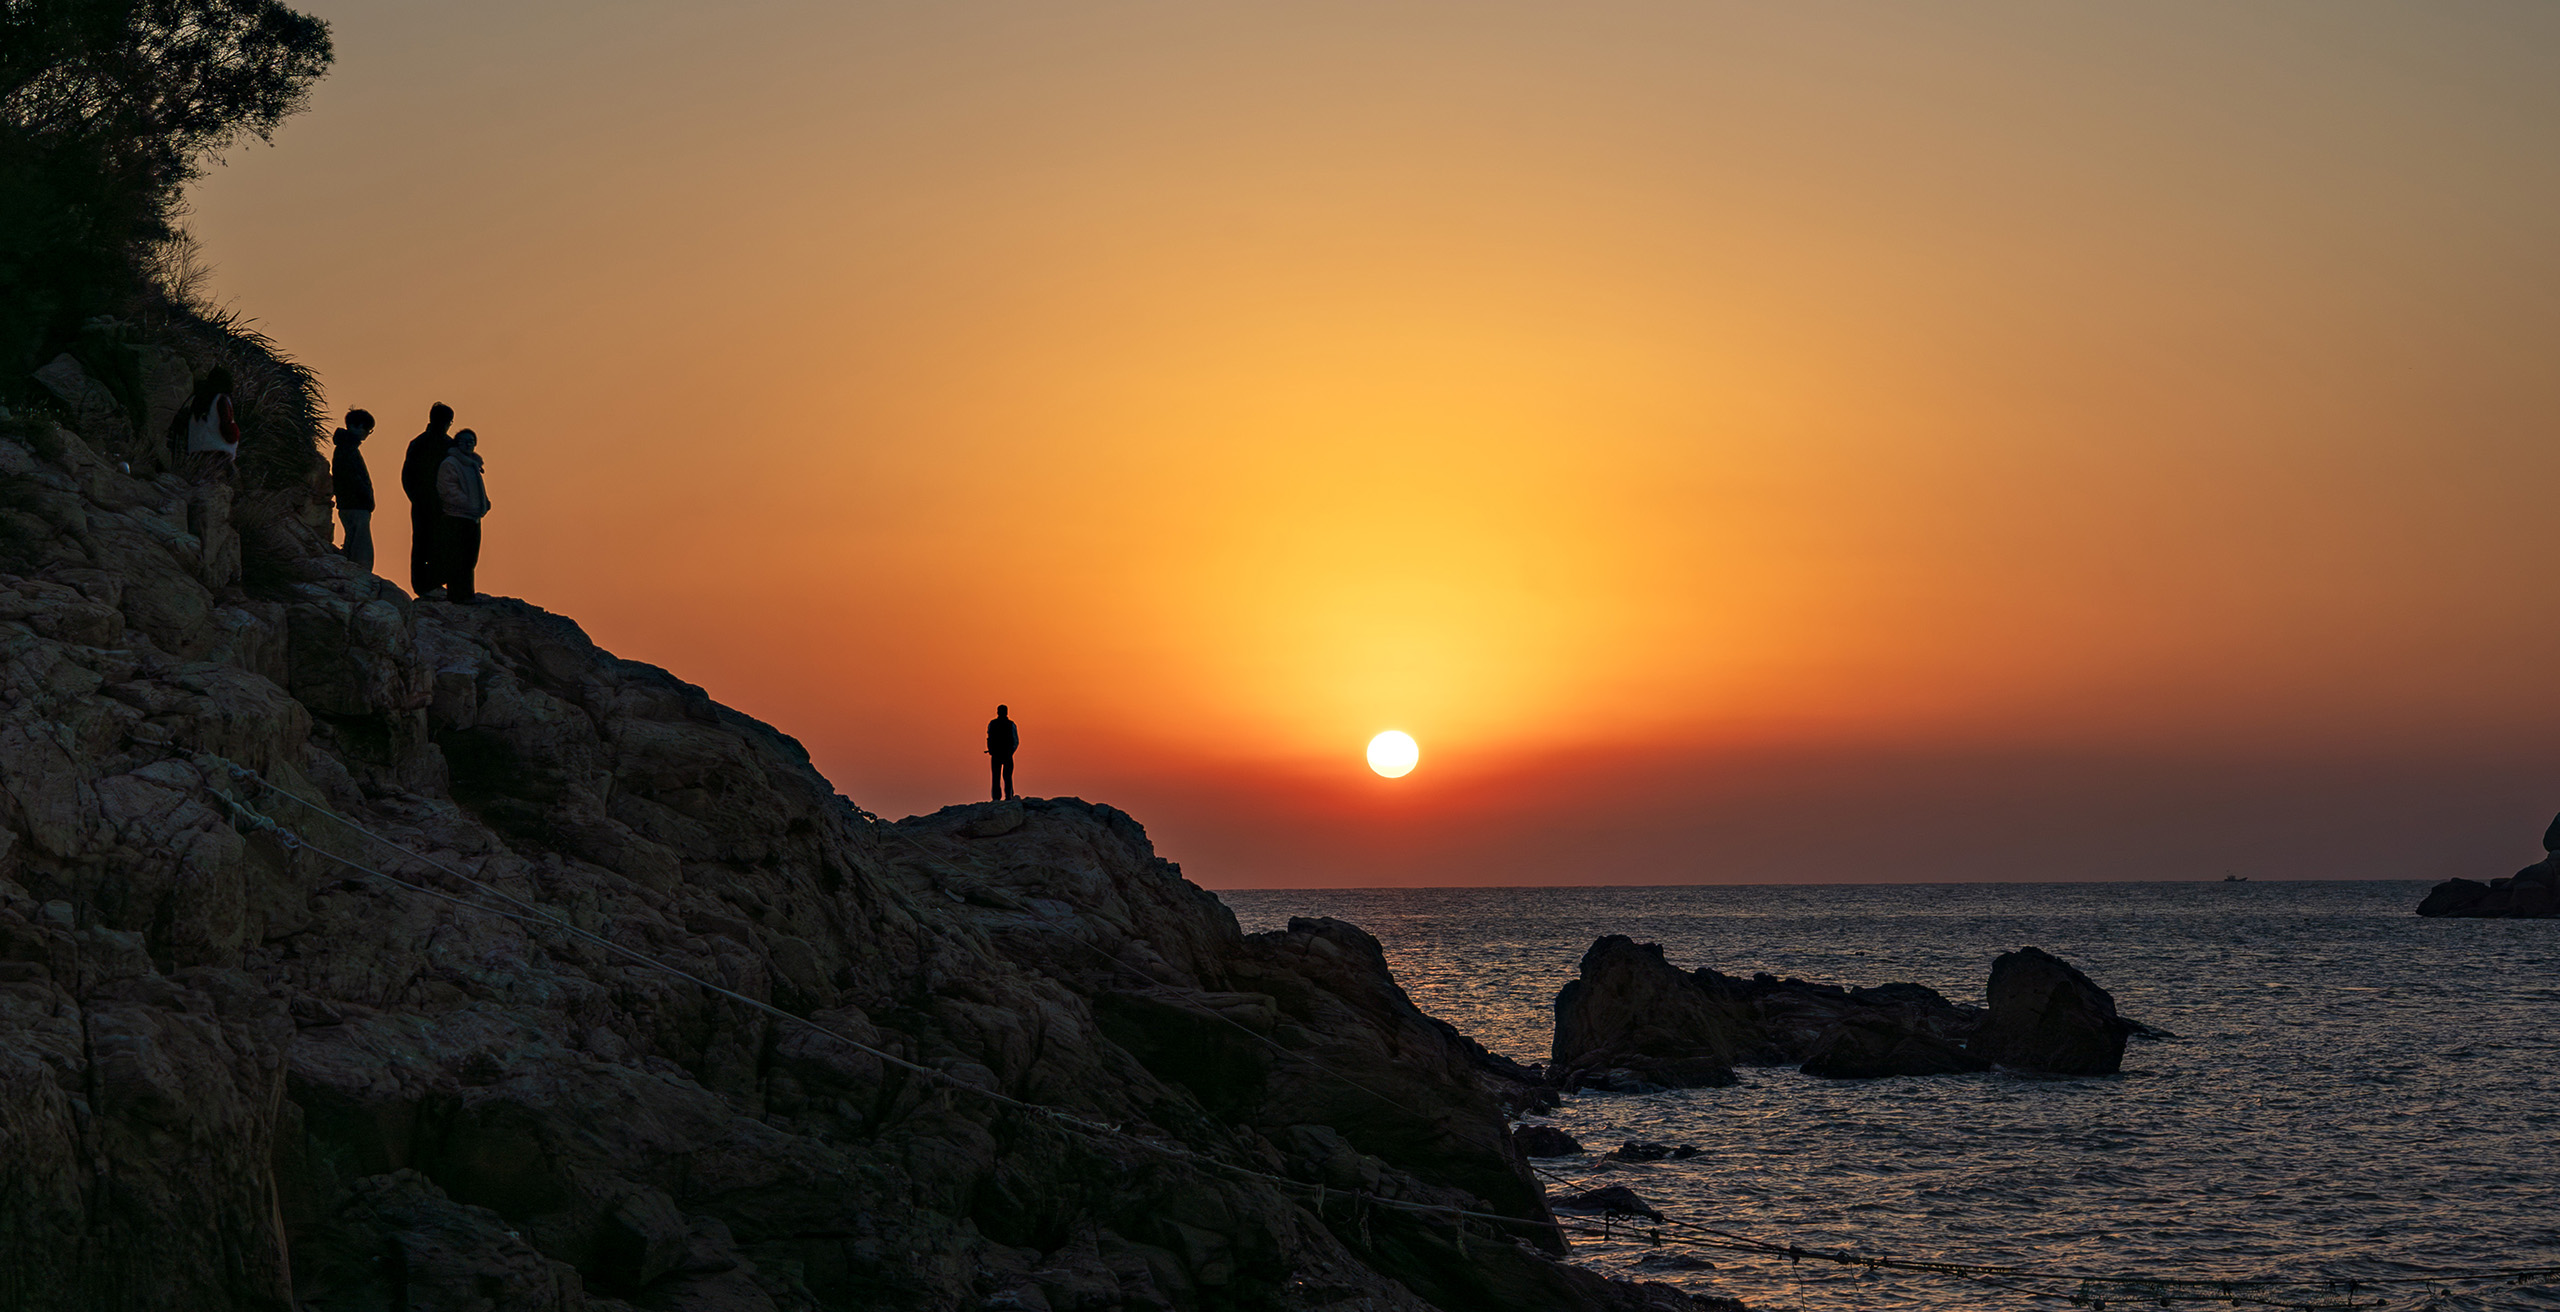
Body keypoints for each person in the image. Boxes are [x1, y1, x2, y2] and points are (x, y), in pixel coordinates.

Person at [401, 402, 456, 597]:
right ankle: (428, 585)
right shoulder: (446, 446)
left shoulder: (421, 443)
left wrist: (416, 498)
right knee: (431, 543)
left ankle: (427, 584)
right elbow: (408, 476)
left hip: (431, 504)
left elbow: (406, 476)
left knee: (427, 543)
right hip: (434, 504)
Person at [434, 428, 491, 603]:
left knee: (470, 559)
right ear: (457, 443)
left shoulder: (473, 464)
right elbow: (448, 490)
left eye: (471, 441)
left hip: (473, 517)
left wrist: (484, 503)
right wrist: (470, 503)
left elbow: (477, 489)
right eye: (463, 441)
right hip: (456, 517)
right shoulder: (450, 463)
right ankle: (457, 595)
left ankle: (467, 594)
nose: (467, 444)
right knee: (457, 558)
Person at [331, 408, 376, 570]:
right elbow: (352, 477)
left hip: (350, 504)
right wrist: (365, 497)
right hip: (355, 505)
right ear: (356, 426)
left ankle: (352, 572)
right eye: (367, 429)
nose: (366, 434)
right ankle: (361, 575)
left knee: (353, 543)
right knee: (361, 549)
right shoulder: (347, 449)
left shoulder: (346, 447)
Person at [179, 367, 240, 474]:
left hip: (195, 449)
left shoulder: (197, 397)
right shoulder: (221, 399)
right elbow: (226, 425)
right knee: (228, 478)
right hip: (217, 450)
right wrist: (235, 434)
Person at [986, 704, 1018, 801]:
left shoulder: (992, 724)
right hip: (1006, 754)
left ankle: (996, 798)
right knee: (1007, 776)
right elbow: (1016, 741)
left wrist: (991, 750)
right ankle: (1008, 796)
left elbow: (989, 737)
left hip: (996, 754)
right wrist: (1011, 751)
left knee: (996, 776)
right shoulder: (1011, 724)